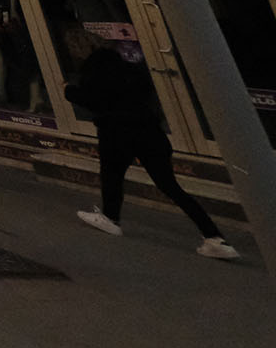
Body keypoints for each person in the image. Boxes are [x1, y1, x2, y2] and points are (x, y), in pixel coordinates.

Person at [63, 26, 239, 260]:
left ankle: (111, 218)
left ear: (77, 51)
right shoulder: (130, 69)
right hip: (149, 132)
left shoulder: (92, 73)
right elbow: (144, 93)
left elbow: (95, 101)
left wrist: (69, 91)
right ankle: (214, 237)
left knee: (112, 175)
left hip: (116, 134)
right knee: (170, 186)